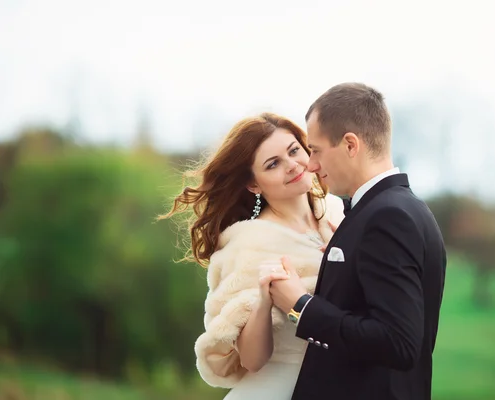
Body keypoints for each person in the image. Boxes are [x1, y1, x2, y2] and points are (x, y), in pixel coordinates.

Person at [269, 82, 447, 400]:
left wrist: (300, 307)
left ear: (351, 145)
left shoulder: (387, 217)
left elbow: (398, 342)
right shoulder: (406, 209)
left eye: (316, 150)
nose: (311, 165)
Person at [159, 112, 344, 399]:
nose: (293, 165)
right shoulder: (249, 245)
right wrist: (262, 301)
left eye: (294, 150)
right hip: (280, 388)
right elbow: (252, 361)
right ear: (254, 185)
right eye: (273, 164)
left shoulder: (339, 212)